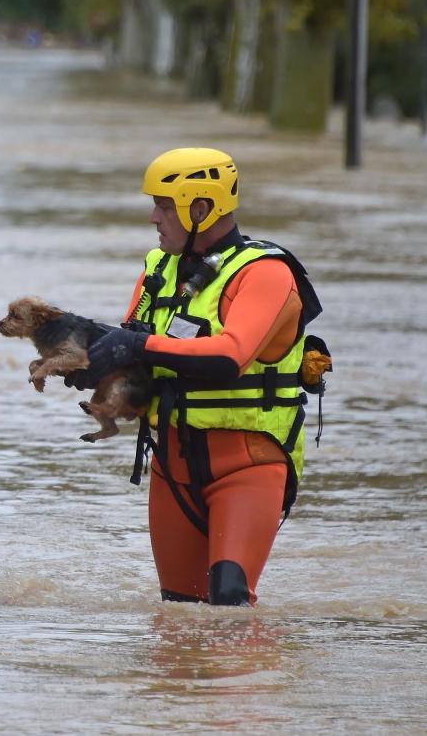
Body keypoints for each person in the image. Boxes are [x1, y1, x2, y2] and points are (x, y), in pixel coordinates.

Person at [73, 147, 328, 607]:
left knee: (228, 601)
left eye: (164, 205)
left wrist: (135, 346)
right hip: (172, 466)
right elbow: (138, 348)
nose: (153, 216)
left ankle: (254, 679)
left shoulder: (266, 272)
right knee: (179, 617)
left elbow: (230, 356)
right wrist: (92, 364)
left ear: (202, 207)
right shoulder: (158, 268)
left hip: (249, 464)